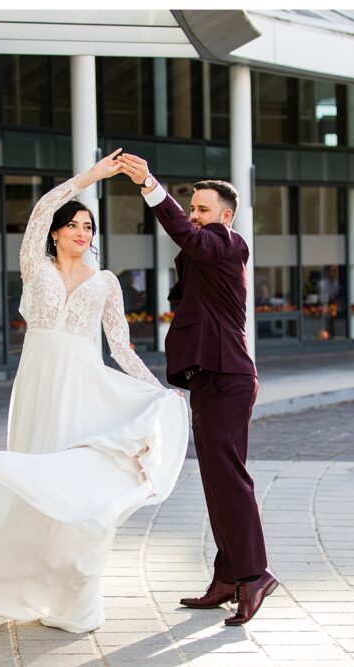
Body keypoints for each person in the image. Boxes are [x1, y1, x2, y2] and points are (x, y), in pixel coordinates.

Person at [0, 149, 188, 634]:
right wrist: (93, 177)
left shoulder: (105, 282)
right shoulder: (34, 269)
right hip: (39, 383)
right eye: (77, 225)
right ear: (58, 232)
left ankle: (75, 598)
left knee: (75, 488)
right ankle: (22, 582)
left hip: (83, 387)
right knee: (33, 478)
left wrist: (158, 391)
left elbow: (121, 348)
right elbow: (42, 207)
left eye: (90, 228)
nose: (83, 233)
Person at [117, 153, 278, 626]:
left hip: (229, 377)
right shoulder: (199, 254)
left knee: (231, 478)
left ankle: (255, 575)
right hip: (208, 377)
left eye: (203, 209)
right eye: (192, 208)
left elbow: (188, 236)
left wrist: (149, 183)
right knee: (215, 481)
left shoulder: (229, 243)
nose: (194, 215)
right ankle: (227, 577)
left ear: (225, 217)